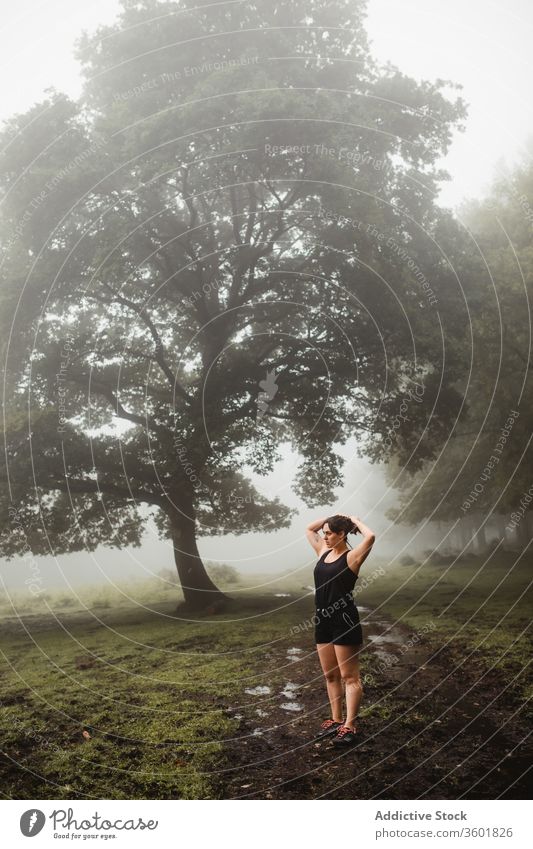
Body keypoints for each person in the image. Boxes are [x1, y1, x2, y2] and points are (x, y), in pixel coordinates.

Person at [305, 513, 375, 746]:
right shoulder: (323, 552)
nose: (324, 537)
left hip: (343, 620)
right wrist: (331, 517)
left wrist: (353, 520)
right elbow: (308, 530)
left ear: (342, 534)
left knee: (349, 676)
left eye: (329, 533)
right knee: (330, 675)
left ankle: (350, 726)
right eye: (324, 533)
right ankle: (336, 721)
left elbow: (371, 536)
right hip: (322, 620)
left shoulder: (352, 557)